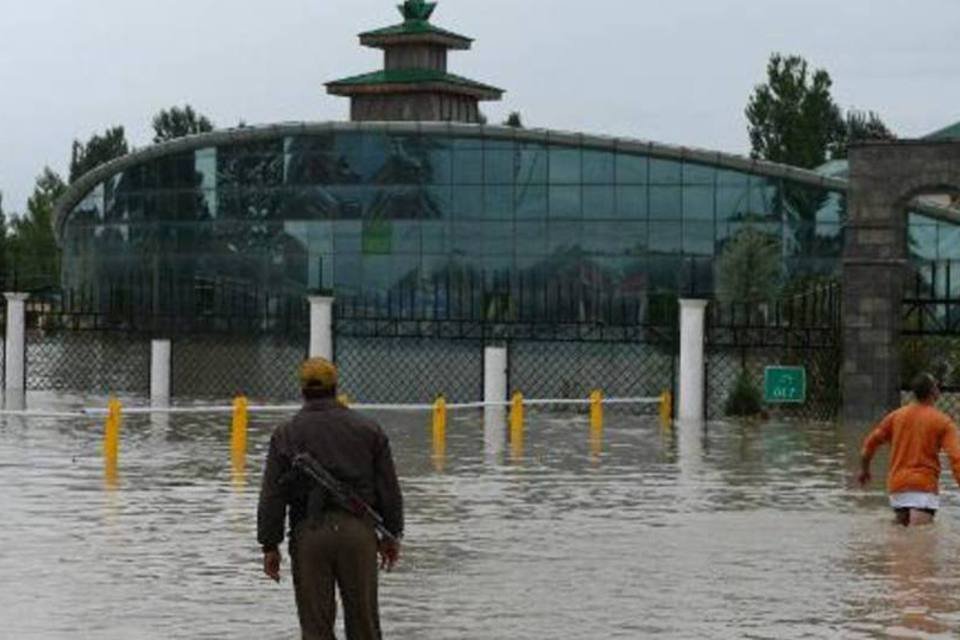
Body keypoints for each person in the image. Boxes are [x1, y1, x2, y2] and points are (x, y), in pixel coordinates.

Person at [258, 357, 404, 640]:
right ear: (336, 387)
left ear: (301, 389)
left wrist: (269, 545)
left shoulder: (285, 433)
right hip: (358, 532)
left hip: (309, 535)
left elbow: (272, 496)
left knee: (316, 629)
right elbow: (389, 489)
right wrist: (392, 535)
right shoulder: (368, 429)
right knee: (365, 627)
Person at [858, 372, 960, 526]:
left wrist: (865, 470)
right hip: (924, 489)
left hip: (898, 488)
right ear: (934, 392)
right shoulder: (943, 422)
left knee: (901, 540)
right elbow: (956, 458)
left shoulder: (895, 417)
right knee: (920, 543)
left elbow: (869, 445)